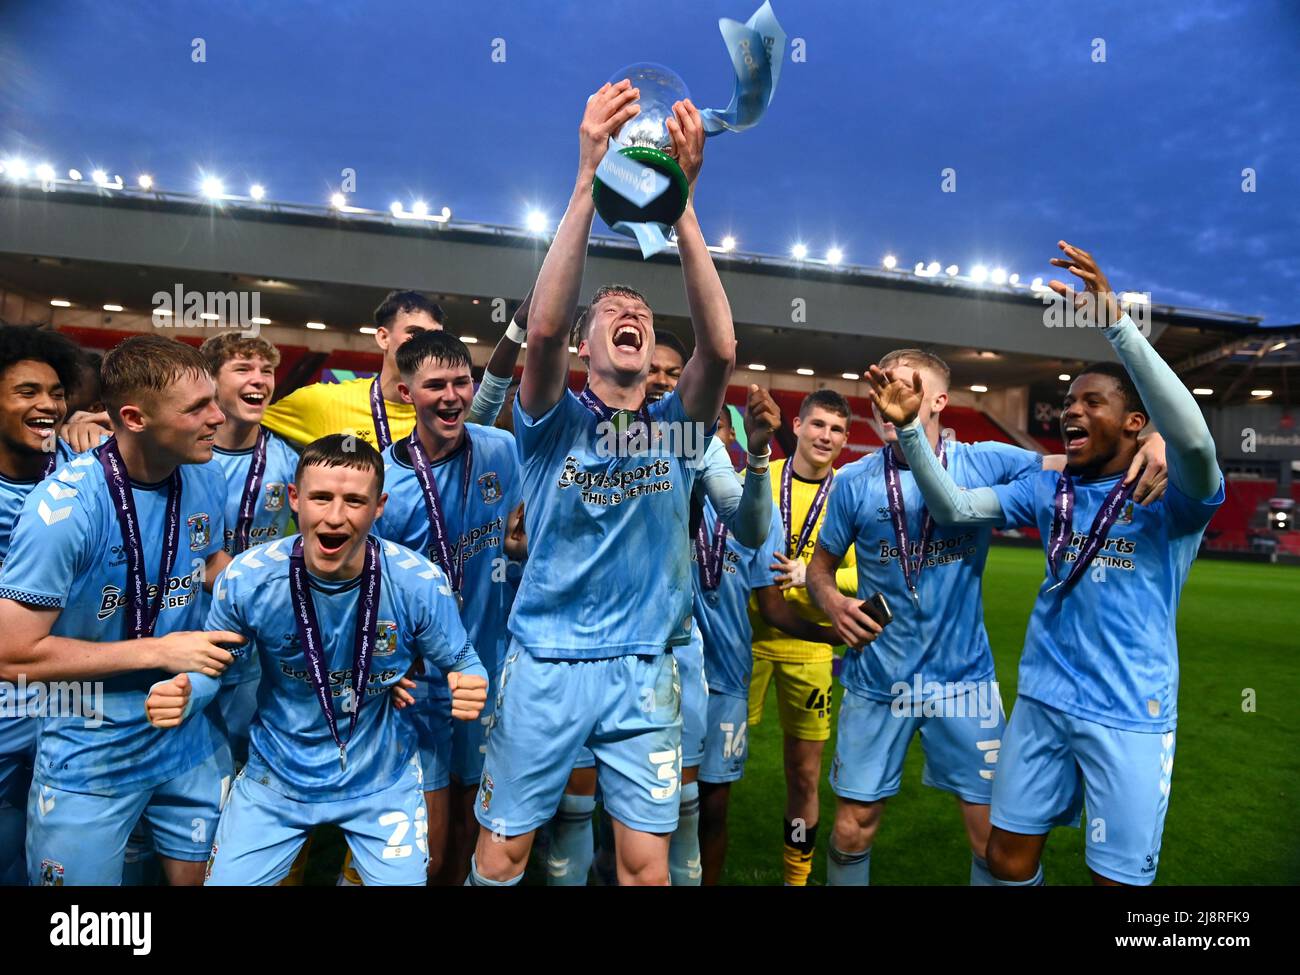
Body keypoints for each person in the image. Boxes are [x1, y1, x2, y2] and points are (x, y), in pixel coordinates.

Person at [871, 241, 1221, 886]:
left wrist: (1117, 324)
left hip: (1128, 711)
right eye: (1068, 402)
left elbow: (1195, 438)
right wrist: (913, 434)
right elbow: (951, 507)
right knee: (1006, 859)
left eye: (1092, 402)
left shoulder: (1168, 495)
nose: (1072, 412)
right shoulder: (1046, 488)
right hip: (1042, 701)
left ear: (1135, 421)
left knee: (1116, 879)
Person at [468, 81, 734, 887]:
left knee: (645, 866)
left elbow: (719, 350)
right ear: (586, 347)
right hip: (546, 658)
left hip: (646, 666)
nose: (631, 310)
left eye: (643, 312)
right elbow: (541, 327)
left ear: (651, 348)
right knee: (505, 853)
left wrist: (681, 204)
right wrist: (586, 178)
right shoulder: (551, 423)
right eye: (611, 307)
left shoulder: (677, 430)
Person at [807, 346, 1168, 885]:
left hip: (964, 685)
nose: (889, 400)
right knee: (853, 827)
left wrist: (1154, 438)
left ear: (939, 402)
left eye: (904, 388)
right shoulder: (854, 480)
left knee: (990, 837)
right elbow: (820, 568)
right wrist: (832, 601)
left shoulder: (988, 461)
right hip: (878, 680)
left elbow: (1081, 463)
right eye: (882, 389)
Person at [147, 435, 488, 885]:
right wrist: (188, 690)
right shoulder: (247, 579)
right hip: (277, 778)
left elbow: (462, 657)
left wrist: (471, 677)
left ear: (379, 506)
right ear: (294, 499)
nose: (335, 516)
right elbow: (213, 666)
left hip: (380, 779)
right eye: (321, 497)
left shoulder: (419, 583)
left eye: (354, 501)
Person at [0, 334, 244, 886]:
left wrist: (274, 587)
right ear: (133, 417)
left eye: (214, 399)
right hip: (91, 744)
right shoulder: (64, 511)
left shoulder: (205, 473)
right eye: (198, 407)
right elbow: (12, 653)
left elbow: (208, 561)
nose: (217, 416)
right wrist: (159, 649)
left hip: (188, 730)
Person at [548, 343, 779, 887]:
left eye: (674, 372)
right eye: (653, 367)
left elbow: (748, 527)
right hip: (580, 645)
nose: (661, 379)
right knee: (576, 815)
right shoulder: (576, 426)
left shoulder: (696, 442)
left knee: (681, 811)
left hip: (669, 651)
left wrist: (761, 456)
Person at [373, 330, 522, 883]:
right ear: (407, 394)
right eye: (435, 384)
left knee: (475, 822)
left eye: (462, 381)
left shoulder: (500, 449)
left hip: (487, 670)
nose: (452, 395)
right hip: (416, 682)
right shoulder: (384, 483)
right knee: (428, 848)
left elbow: (519, 526)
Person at [747, 388, 859, 886]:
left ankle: (797, 876)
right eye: (817, 425)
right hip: (744, 641)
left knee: (805, 774)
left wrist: (812, 574)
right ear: (796, 426)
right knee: (709, 765)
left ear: (846, 439)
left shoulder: (849, 493)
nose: (825, 437)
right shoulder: (760, 479)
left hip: (812, 649)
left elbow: (865, 573)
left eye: (836, 430)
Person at [0, 325, 82, 884]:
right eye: (27, 392)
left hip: (74, 697)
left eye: (55, 392)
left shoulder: (85, 473)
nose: (47, 405)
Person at [199, 333, 300, 766]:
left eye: (266, 370)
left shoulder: (288, 457)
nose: (258, 380)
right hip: (191, 630)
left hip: (259, 641)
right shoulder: (184, 455)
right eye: (242, 369)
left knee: (245, 762)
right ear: (210, 381)